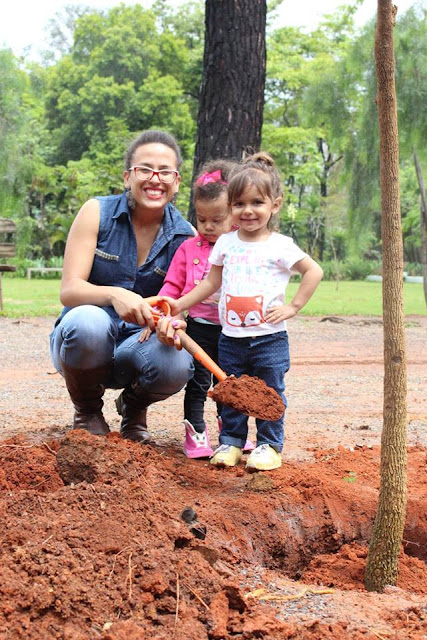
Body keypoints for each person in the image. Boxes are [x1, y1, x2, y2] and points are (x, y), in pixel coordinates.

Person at [162, 152, 323, 471]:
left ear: (274, 204)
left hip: (269, 338)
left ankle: (269, 445)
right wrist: (180, 305)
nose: (248, 211)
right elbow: (211, 283)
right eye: (239, 204)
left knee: (269, 391)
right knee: (230, 390)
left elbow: (313, 271)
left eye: (257, 203)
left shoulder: (280, 245)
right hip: (231, 337)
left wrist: (293, 307)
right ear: (231, 207)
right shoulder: (226, 244)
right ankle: (232, 442)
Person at [50, 130, 195, 444]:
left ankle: (134, 407)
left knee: (178, 362)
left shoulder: (186, 237)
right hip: (81, 343)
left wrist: (170, 325)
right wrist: (114, 293)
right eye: (145, 169)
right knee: (88, 322)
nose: (155, 179)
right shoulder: (96, 212)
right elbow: (69, 290)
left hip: (136, 345)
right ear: (128, 176)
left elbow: (179, 303)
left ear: (177, 181)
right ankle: (87, 410)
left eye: (165, 171)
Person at [141, 160, 254, 459]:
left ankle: (231, 435)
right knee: (199, 382)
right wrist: (168, 313)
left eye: (217, 219)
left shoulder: (240, 248)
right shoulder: (188, 249)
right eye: (202, 219)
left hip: (234, 330)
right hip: (200, 329)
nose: (208, 226)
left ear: (234, 212)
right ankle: (196, 434)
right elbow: (172, 287)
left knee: (228, 382)